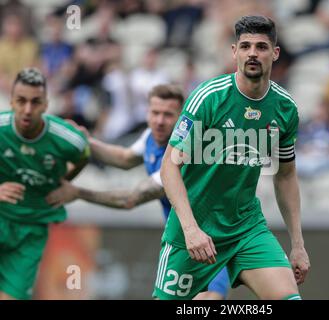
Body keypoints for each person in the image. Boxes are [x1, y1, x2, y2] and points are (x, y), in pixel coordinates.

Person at [155, 15, 310, 300]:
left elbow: (285, 174)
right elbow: (169, 166)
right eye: (246, 46)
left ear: (275, 54)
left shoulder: (285, 108)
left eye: (262, 47)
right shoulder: (209, 98)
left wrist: (298, 244)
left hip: (245, 228)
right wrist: (191, 230)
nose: (253, 53)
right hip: (195, 230)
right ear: (234, 52)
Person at [46, 84, 230, 300]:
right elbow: (124, 158)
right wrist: (86, 141)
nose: (160, 121)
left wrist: (78, 192)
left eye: (168, 115)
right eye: (155, 113)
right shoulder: (151, 137)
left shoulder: (183, 156)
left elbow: (130, 199)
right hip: (183, 243)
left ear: (182, 118)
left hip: (212, 242)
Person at [0, 68, 90, 300]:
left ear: (46, 104)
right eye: (21, 101)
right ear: (11, 102)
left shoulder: (67, 139)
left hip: (32, 229)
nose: (27, 109)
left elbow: (83, 154)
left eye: (35, 102)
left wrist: (66, 182)